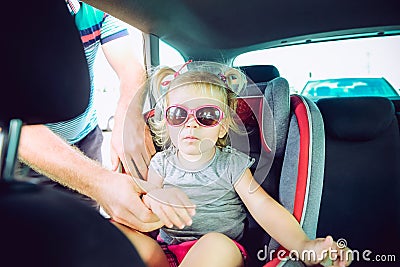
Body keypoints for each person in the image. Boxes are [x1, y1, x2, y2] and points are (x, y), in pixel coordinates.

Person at [117, 61, 352, 267]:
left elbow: (262, 207)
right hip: (165, 252)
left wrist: (303, 245)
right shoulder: (161, 163)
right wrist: (153, 199)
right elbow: (144, 207)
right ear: (167, 122)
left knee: (214, 242)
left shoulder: (230, 164)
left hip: (220, 251)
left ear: (222, 126)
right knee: (115, 231)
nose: (190, 124)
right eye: (178, 114)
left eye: (207, 115)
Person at [17, 0, 159, 231]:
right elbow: (16, 126)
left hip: (86, 137)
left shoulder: (97, 7)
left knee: (85, 226)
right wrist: (101, 182)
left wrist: (127, 123)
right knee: (33, 233)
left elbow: (131, 70)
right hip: (22, 153)